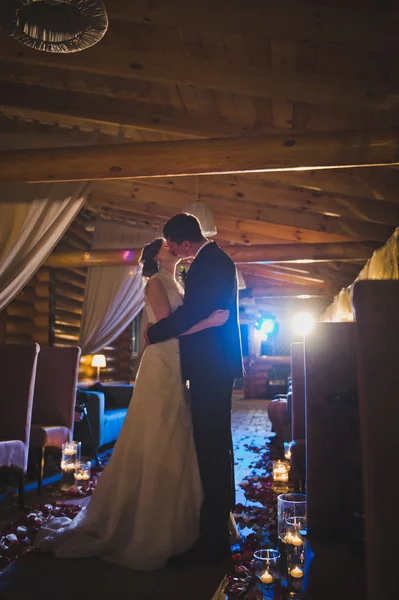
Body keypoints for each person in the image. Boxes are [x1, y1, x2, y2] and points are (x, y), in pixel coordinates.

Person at [35, 237, 229, 571]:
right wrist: (209, 323)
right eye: (167, 245)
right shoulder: (156, 282)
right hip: (162, 362)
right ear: (156, 255)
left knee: (178, 432)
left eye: (173, 243)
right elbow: (165, 330)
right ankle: (149, 522)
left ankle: (185, 516)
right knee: (159, 429)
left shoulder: (177, 282)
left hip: (178, 363)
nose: (173, 247)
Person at [146, 213, 243, 564]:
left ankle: (214, 540)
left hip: (212, 366)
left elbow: (195, 312)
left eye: (173, 244)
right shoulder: (208, 262)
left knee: (212, 446)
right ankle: (216, 529)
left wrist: (154, 334)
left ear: (185, 243)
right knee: (212, 443)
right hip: (210, 365)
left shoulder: (212, 263)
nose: (171, 249)